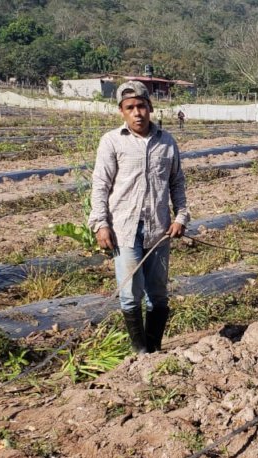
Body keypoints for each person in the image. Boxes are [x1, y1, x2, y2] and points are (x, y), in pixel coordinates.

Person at [89, 81, 190, 355]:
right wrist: (100, 224)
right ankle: (140, 353)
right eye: (130, 107)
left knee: (158, 294)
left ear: (150, 108)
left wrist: (181, 216)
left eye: (141, 106)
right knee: (130, 294)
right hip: (124, 229)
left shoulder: (167, 142)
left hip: (159, 230)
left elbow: (177, 183)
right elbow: (101, 185)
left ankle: (154, 350)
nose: (137, 113)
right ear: (121, 111)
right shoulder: (111, 141)